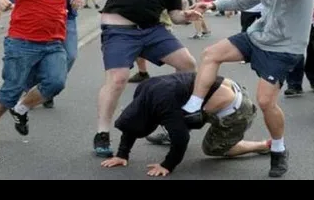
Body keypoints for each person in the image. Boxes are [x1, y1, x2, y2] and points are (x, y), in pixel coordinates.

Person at [180, 0, 314, 177]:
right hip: (258, 35)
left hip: (284, 47)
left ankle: (278, 149)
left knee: (265, 102)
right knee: (211, 54)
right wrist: (212, 4)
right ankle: (193, 105)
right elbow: (242, 1)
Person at [0, 0, 124, 147]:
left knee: (56, 82)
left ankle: (21, 109)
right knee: (12, 87)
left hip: (53, 43)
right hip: (22, 42)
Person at [94, 0, 202, 157]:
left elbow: (174, 15)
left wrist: (187, 16)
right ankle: (102, 133)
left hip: (152, 30)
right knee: (118, 79)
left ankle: (171, 117)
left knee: (188, 64)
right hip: (119, 28)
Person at [100, 72, 270, 177]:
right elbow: (130, 127)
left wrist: (167, 165)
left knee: (213, 148)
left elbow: (181, 139)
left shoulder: (163, 106)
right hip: (222, 88)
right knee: (182, 117)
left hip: (236, 109)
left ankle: (262, 145)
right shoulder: (143, 90)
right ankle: (176, 126)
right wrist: (122, 154)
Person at [26, 0, 94, 109]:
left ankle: (46, 89)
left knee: (70, 55)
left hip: (66, 17)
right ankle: (38, 90)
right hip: (40, 19)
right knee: (36, 56)